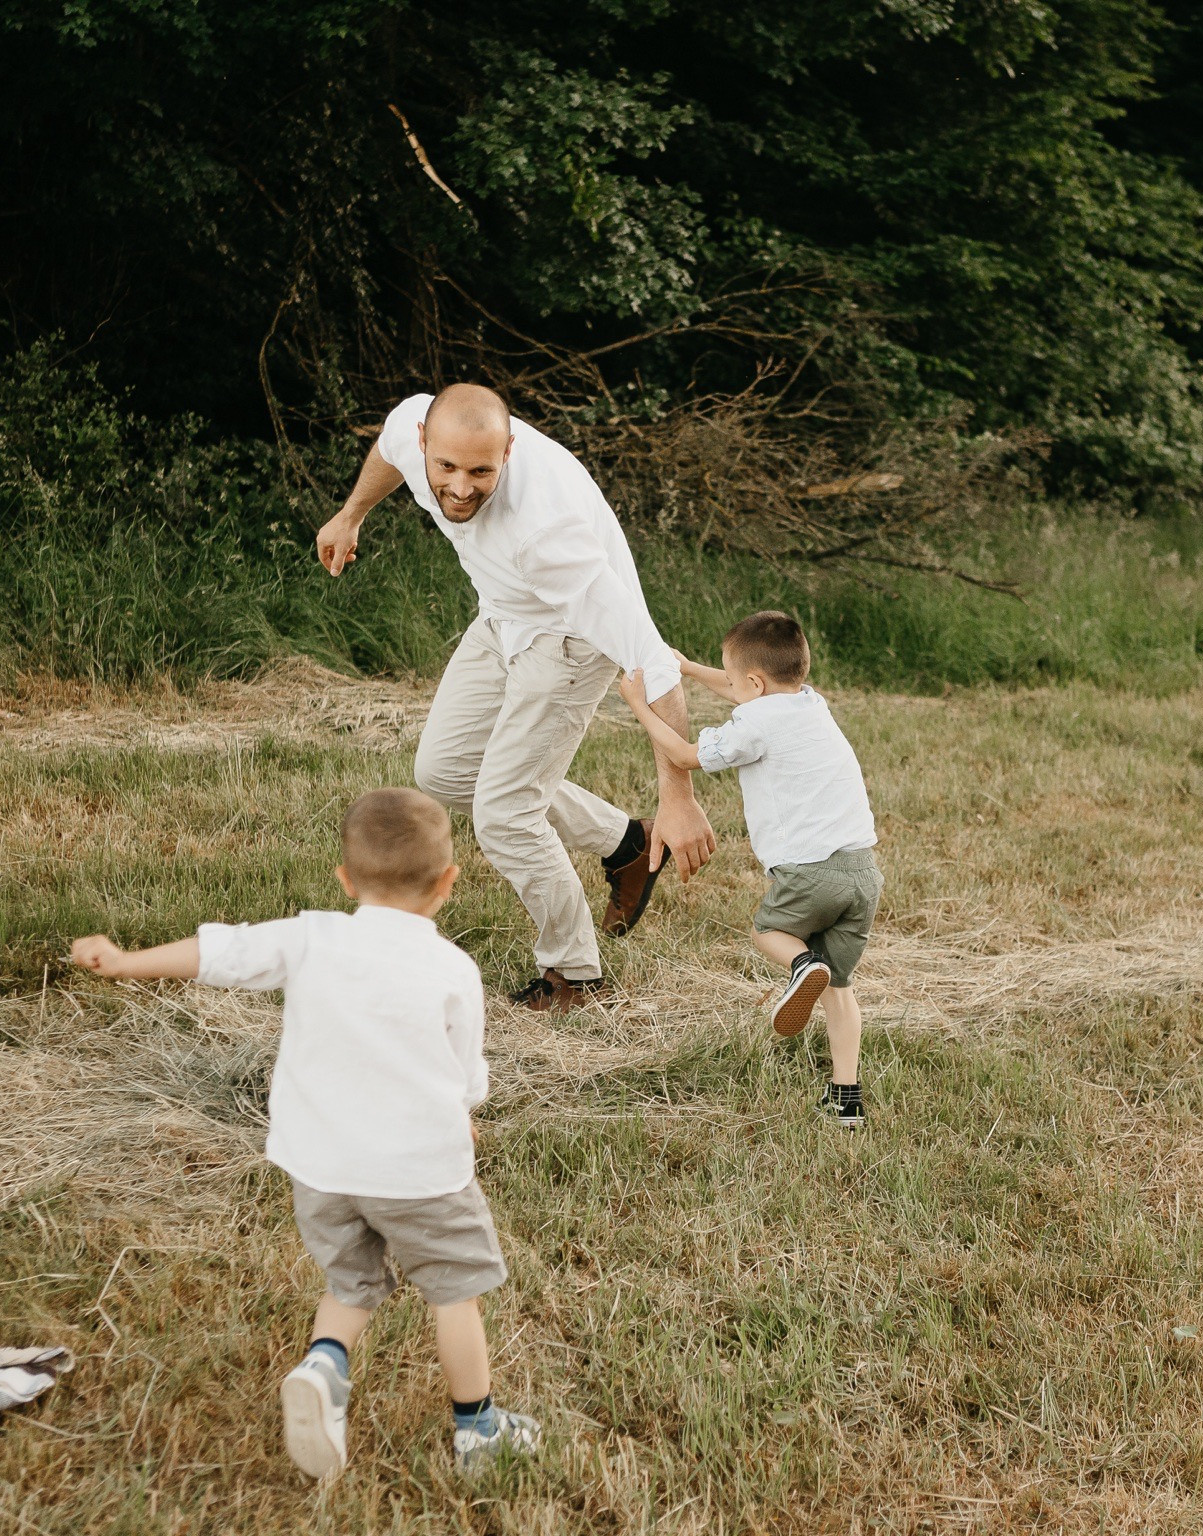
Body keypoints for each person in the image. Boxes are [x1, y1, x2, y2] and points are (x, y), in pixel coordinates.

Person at [67, 788, 538, 1477]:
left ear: (344, 880)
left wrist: (125, 959)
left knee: (350, 1285)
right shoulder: (453, 970)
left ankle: (326, 1366)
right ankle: (479, 1429)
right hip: (420, 1173)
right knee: (452, 1292)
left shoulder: (312, 937)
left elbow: (217, 953)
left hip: (320, 1166)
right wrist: (467, 1111)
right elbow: (465, 1067)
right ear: (448, 883)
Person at [314, 383, 717, 1012]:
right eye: (446, 467)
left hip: (568, 638)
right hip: (501, 615)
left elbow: (652, 659)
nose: (461, 487)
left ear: (510, 451)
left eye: (482, 471)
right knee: (442, 770)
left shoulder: (549, 534)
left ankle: (575, 974)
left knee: (504, 815)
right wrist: (351, 515)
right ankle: (626, 844)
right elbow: (389, 454)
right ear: (426, 440)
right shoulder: (413, 428)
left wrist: (680, 793)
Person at [617, 611, 881, 1128]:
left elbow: (687, 755)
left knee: (769, 931)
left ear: (754, 683)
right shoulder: (810, 701)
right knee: (839, 992)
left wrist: (638, 707)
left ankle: (801, 966)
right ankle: (846, 1098)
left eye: (734, 680)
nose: (731, 688)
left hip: (810, 873)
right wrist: (693, 669)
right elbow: (749, 690)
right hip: (863, 874)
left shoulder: (752, 726)